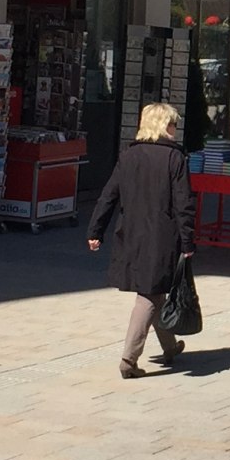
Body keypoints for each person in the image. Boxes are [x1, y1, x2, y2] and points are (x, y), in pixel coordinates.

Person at [88, 103, 196, 379]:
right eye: (172, 124)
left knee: (156, 290)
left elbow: (109, 194)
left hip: (131, 233)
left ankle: (170, 347)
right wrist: (188, 241)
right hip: (162, 236)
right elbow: (184, 204)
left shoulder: (129, 155)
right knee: (148, 295)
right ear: (163, 126)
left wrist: (95, 230)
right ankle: (129, 358)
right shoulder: (174, 159)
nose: (175, 129)